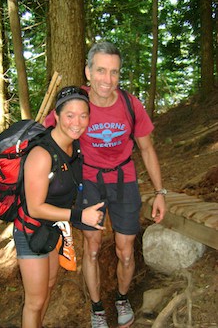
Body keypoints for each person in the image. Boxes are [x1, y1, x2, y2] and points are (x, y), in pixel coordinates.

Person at [44, 42, 167, 328]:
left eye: (114, 72)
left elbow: (147, 149)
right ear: (88, 71)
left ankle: (122, 298)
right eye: (100, 70)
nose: (107, 80)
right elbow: (42, 132)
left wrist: (160, 192)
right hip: (89, 181)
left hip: (124, 180)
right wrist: (1, 151)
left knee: (126, 250)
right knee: (93, 247)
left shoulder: (129, 104)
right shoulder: (75, 103)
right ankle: (97, 307)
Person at [0, 86, 105, 328]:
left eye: (83, 115)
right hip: (31, 230)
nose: (77, 121)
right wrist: (80, 215)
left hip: (53, 229)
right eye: (70, 115)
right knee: (35, 301)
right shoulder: (42, 154)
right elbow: (35, 207)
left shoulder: (75, 146)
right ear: (57, 117)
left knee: (49, 285)